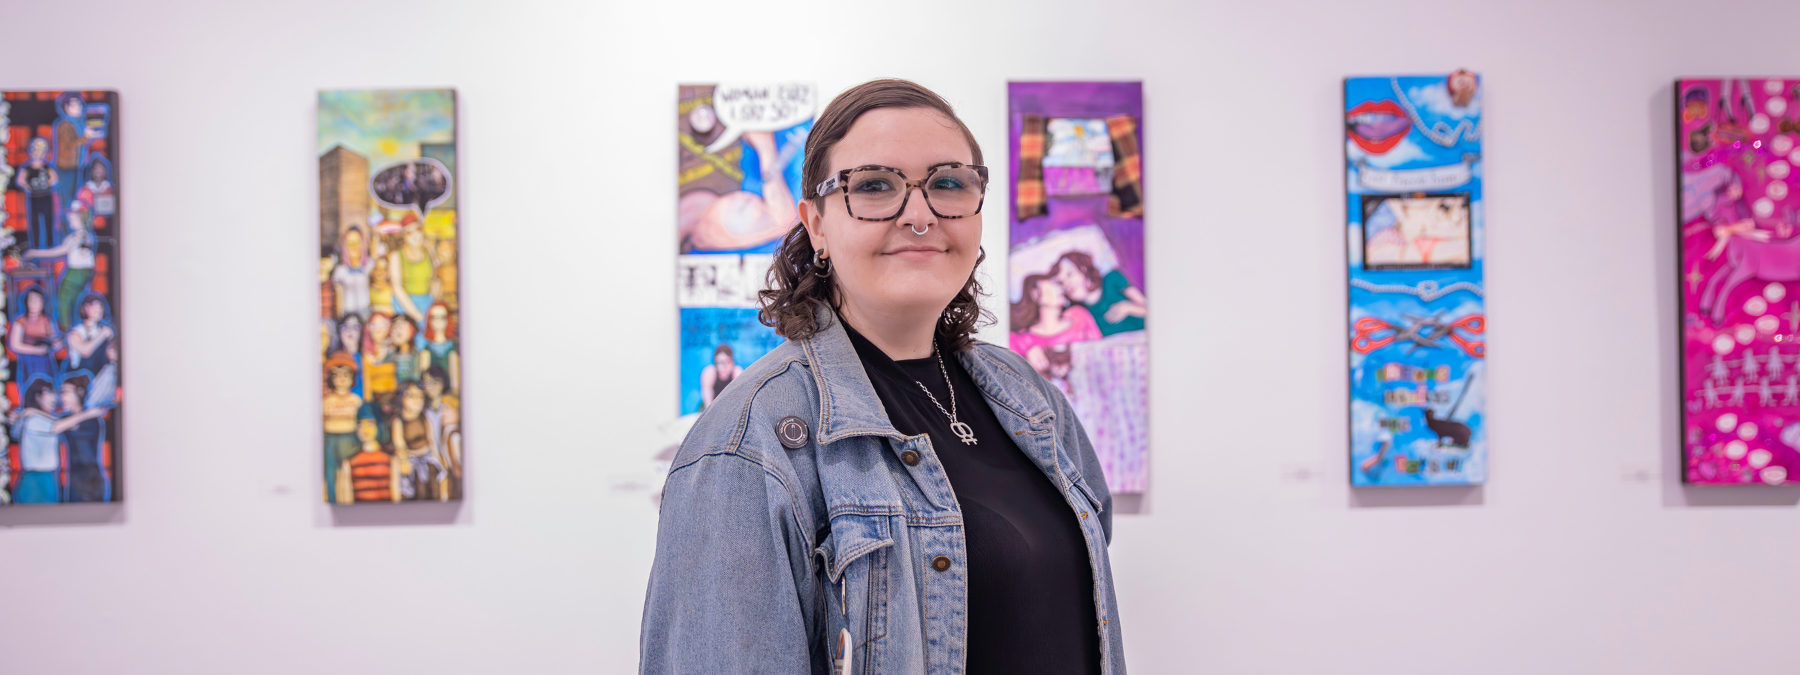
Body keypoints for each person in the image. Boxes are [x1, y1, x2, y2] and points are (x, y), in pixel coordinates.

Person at [642, 79, 1123, 675]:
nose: (919, 214)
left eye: (948, 183)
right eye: (874, 186)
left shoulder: (1026, 395)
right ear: (816, 225)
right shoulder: (747, 445)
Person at [9, 378, 106, 504]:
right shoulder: (34, 420)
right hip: (36, 480)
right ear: (38, 397)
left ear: (80, 392)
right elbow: (56, 426)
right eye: (50, 393)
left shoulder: (51, 419)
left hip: (77, 479)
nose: (56, 398)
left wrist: (30, 412)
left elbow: (57, 422)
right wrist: (89, 413)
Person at [24, 193, 100, 330]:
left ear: (79, 217)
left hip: (78, 273)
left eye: (71, 215)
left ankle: (67, 330)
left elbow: (60, 251)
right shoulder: (74, 236)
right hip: (74, 271)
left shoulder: (82, 235)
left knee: (65, 301)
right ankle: (67, 329)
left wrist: (34, 253)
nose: (68, 218)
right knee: (66, 301)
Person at [1009, 273, 1102, 380]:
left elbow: (1102, 357)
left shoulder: (1079, 317)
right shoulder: (1018, 341)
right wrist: (1025, 361)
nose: (1061, 287)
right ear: (1035, 293)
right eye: (1054, 282)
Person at [1054, 250, 1146, 336]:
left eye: (1069, 274)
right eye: (1061, 283)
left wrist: (1129, 307)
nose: (1066, 284)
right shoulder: (1077, 311)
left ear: (1083, 269)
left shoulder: (1112, 279)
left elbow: (1150, 309)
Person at [390, 381, 447, 501]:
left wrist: (439, 460)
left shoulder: (425, 417)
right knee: (416, 490)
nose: (417, 400)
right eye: (411, 396)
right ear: (401, 399)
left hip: (427, 457)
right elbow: (400, 444)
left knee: (434, 486)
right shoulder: (399, 422)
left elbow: (432, 441)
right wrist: (404, 461)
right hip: (410, 460)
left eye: (420, 396)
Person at [57, 376, 108, 502]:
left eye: (66, 392)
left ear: (79, 392)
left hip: (90, 478)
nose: (63, 398)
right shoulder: (80, 416)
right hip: (74, 478)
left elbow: (70, 427)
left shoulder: (91, 421)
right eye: (61, 393)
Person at [323, 352, 363, 504]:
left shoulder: (356, 400)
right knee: (331, 473)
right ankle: (332, 500)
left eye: (346, 374)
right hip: (331, 438)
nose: (341, 378)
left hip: (350, 438)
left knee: (350, 472)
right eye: (337, 374)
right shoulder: (326, 401)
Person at [66, 294, 118, 409]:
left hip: (102, 376)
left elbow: (113, 354)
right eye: (93, 306)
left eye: (99, 306)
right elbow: (85, 351)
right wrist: (103, 335)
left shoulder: (107, 330)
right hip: (81, 380)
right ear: (84, 308)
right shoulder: (75, 333)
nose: (97, 309)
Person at [10, 288, 61, 387]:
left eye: (38, 300)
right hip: (28, 363)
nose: (34, 303)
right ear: (26, 302)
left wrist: (56, 343)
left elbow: (55, 340)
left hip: (46, 363)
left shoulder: (46, 320)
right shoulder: (20, 321)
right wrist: (37, 350)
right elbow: (15, 345)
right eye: (31, 300)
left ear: (42, 302)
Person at [15, 138, 58, 251]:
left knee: (49, 221)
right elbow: (20, 180)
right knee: (34, 223)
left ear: (45, 152)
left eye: (40, 150)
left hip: (46, 197)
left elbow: (54, 179)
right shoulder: (26, 168)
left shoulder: (47, 167)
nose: (37, 152)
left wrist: (47, 183)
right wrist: (27, 186)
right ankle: (36, 246)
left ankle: (50, 245)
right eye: (35, 149)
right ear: (30, 151)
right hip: (34, 198)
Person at [346, 417, 400, 503]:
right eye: (360, 426)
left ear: (378, 427)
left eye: (370, 425)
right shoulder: (350, 462)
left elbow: (395, 494)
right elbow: (347, 496)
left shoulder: (390, 460)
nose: (365, 430)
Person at [389, 224, 434, 323]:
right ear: (403, 236)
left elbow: (432, 279)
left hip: (426, 302)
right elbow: (396, 287)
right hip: (405, 305)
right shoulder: (396, 255)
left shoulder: (428, 252)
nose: (415, 235)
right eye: (409, 232)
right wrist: (416, 314)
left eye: (418, 230)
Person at [332, 226, 373, 318]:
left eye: (357, 242)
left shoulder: (369, 266)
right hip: (348, 313)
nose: (354, 247)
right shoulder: (340, 271)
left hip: (366, 312)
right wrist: (340, 317)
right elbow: (339, 296)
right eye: (350, 243)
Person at [419, 302, 459, 394]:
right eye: (434, 317)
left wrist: (454, 391)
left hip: (449, 392)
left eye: (442, 317)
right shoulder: (427, 348)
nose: (438, 321)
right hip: (432, 392)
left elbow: (455, 377)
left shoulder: (452, 346)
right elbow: (425, 375)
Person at [697, 344, 741, 408]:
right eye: (720, 362)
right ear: (715, 362)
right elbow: (707, 393)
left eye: (727, 361)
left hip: (728, 407)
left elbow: (739, 396)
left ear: (732, 362)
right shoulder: (710, 372)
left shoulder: (736, 371)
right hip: (708, 407)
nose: (724, 366)